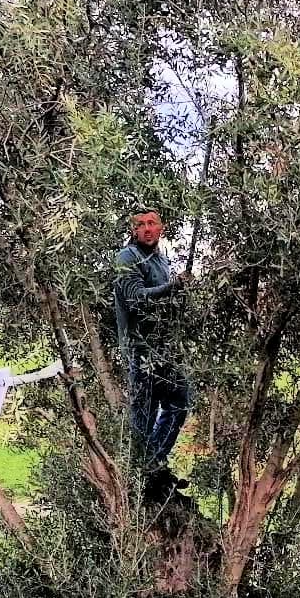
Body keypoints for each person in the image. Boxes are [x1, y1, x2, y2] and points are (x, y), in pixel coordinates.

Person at [111, 206, 190, 490]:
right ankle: (142, 472)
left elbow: (164, 303)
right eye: (140, 224)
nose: (146, 228)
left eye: (152, 223)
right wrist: (172, 288)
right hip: (140, 349)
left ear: (161, 228)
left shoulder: (160, 259)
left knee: (180, 402)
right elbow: (136, 299)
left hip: (164, 348)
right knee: (144, 412)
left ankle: (152, 463)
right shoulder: (127, 257)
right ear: (133, 230)